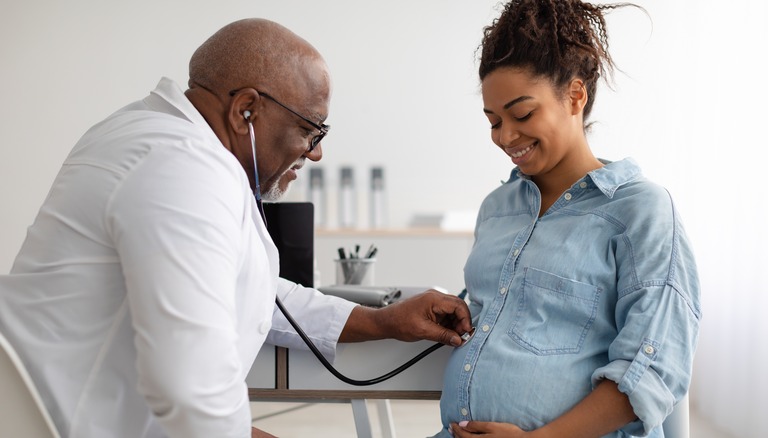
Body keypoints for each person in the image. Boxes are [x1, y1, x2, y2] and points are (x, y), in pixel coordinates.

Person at [0, 18, 473, 438]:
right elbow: (192, 387)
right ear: (246, 109)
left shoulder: (160, 139)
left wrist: (379, 321)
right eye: (313, 131)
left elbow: (251, 290)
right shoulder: (183, 168)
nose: (315, 153)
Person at [437, 1, 701, 437]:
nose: (505, 137)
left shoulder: (641, 212)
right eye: (493, 121)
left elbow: (651, 369)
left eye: (522, 115)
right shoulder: (497, 208)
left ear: (575, 96)